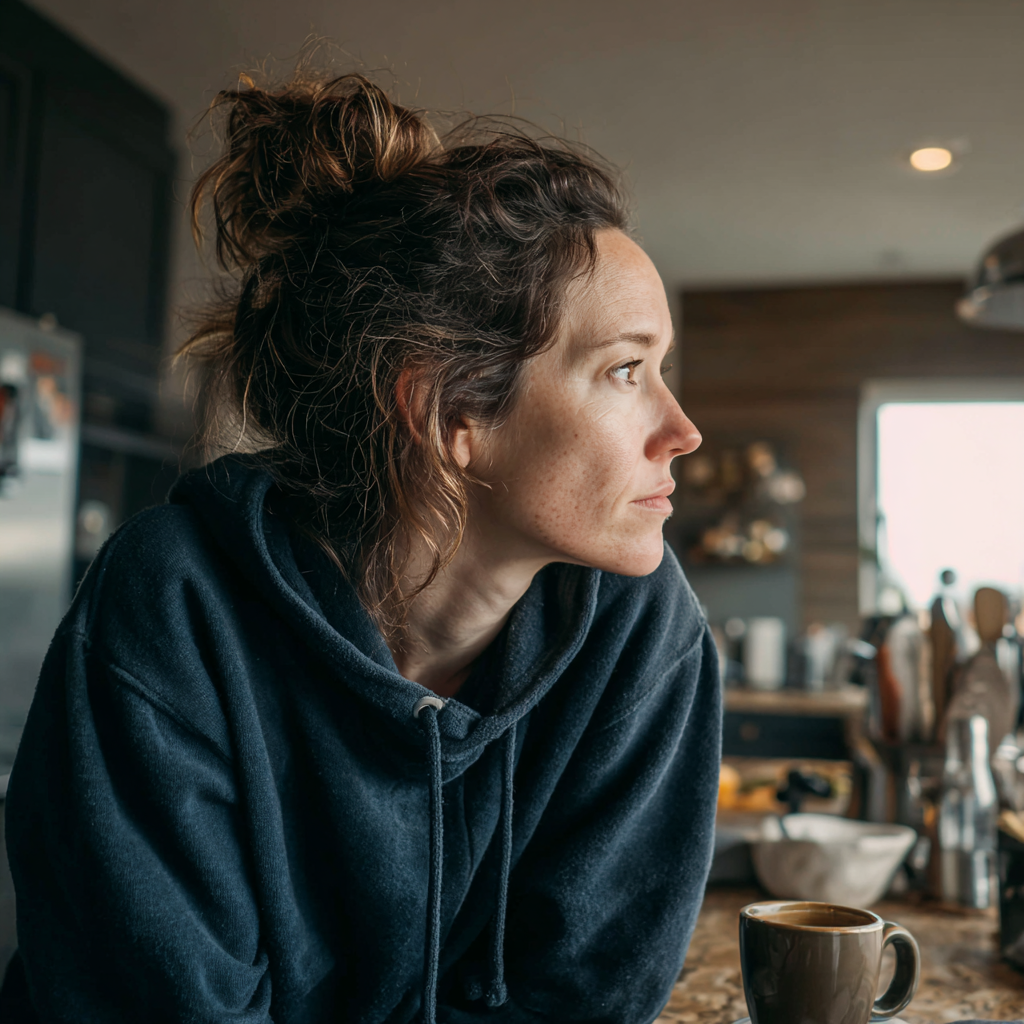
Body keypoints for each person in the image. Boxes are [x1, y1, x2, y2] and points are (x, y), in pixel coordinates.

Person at [0, 70, 720, 1024]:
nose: (682, 430)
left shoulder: (640, 629)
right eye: (625, 370)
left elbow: (581, 1002)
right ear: (451, 412)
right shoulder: (175, 604)